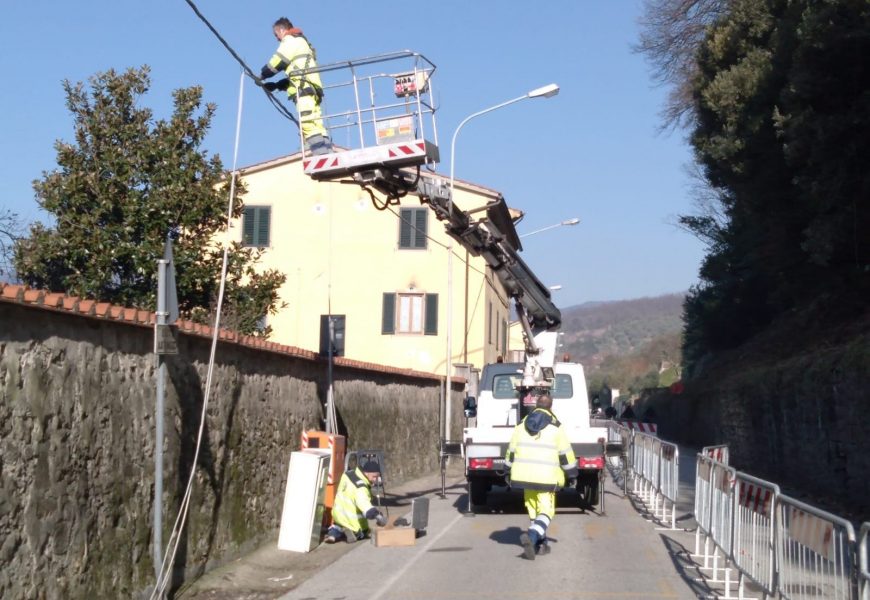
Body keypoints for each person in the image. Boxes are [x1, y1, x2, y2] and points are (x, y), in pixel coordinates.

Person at [504, 392, 577, 560]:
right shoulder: (556, 428)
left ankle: (540, 544)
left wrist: (507, 470)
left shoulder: (521, 425)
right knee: (546, 512)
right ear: (550, 408)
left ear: (536, 406)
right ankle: (532, 536)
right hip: (546, 478)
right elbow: (565, 454)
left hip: (523, 477)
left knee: (534, 510)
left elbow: (511, 452)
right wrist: (572, 474)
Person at [260, 17, 332, 155]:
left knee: (307, 124)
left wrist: (262, 75)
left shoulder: (290, 41)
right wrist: (276, 85)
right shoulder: (302, 43)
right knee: (317, 125)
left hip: (304, 90)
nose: (277, 39)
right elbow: (296, 73)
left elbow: (278, 61)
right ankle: (328, 152)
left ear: (282, 30)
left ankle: (321, 155)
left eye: (276, 35)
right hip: (311, 89)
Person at [324, 460, 388, 543]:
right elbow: (365, 505)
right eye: (374, 476)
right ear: (367, 473)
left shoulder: (349, 474)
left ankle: (332, 534)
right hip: (351, 519)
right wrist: (377, 516)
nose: (376, 479)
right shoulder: (361, 488)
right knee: (363, 532)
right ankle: (354, 533)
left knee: (337, 525)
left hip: (338, 513)